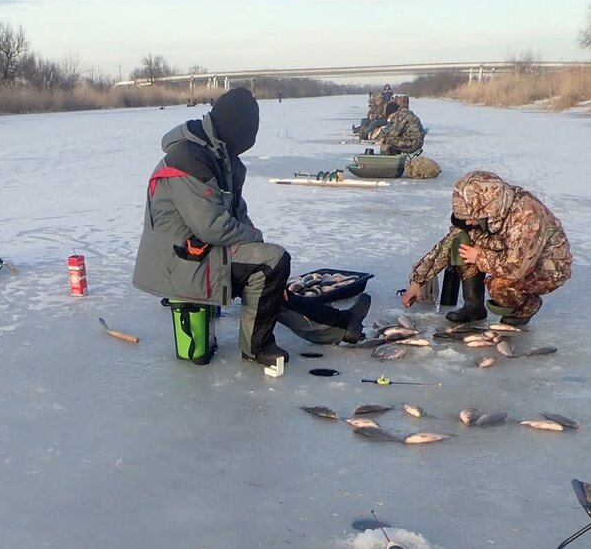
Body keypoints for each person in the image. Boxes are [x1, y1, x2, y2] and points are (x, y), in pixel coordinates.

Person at [132, 87, 369, 365]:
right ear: (236, 129)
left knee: (268, 281)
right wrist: (255, 240)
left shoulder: (220, 154)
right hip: (182, 262)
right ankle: (257, 347)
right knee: (271, 264)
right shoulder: (189, 158)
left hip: (201, 255)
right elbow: (211, 226)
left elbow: (237, 213)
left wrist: (255, 243)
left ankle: (341, 325)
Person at [402, 170, 572, 326]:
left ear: (488, 207)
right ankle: (473, 306)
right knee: (462, 239)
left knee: (498, 286)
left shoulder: (527, 216)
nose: (467, 222)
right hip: (506, 251)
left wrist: (479, 257)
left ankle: (527, 305)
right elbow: (446, 244)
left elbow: (516, 268)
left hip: (545, 267)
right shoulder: (487, 212)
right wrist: (418, 280)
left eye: (471, 218)